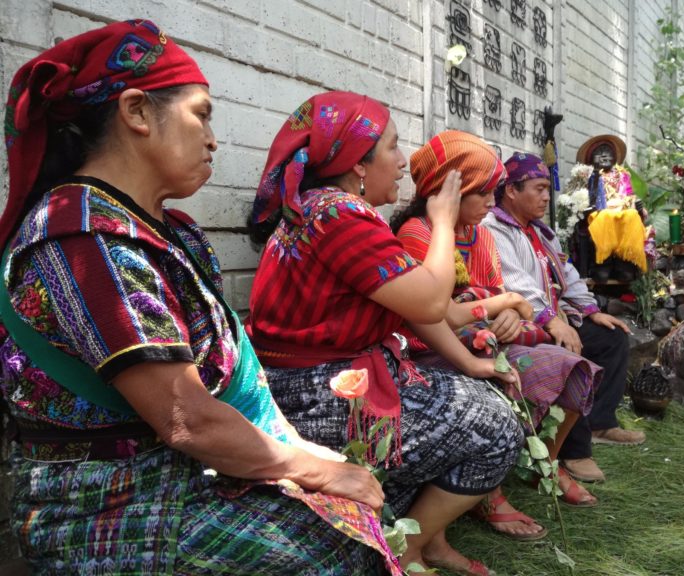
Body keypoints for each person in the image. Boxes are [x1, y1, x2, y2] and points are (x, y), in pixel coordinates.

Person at [0, 20, 400, 575]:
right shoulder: (86, 240)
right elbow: (186, 418)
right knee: (337, 547)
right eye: (202, 114)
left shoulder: (169, 232)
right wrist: (311, 467)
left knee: (355, 514)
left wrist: (304, 462)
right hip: (108, 497)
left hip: (181, 468)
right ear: (137, 112)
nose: (213, 138)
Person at [247, 92, 524, 576]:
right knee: (498, 428)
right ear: (358, 162)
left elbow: (425, 313)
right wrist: (441, 222)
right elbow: (432, 301)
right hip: (323, 394)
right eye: (392, 149)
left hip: (323, 381)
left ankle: (421, 539)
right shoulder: (339, 216)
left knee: (478, 399)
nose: (401, 163)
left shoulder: (325, 210)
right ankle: (405, 550)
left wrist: (471, 362)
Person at [391, 131, 603, 515]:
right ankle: (487, 491)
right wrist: (501, 305)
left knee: (573, 368)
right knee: (507, 377)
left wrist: (504, 312)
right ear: (448, 193)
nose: (492, 203)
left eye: (494, 192)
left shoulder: (480, 236)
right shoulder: (416, 233)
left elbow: (495, 294)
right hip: (434, 352)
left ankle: (546, 464)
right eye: (483, 193)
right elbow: (442, 311)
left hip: (484, 342)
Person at [483, 152, 646, 484]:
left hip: (554, 313)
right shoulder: (494, 227)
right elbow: (516, 282)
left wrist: (591, 310)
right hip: (521, 320)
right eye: (539, 188)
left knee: (612, 337)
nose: (546, 196)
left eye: (547, 189)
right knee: (570, 348)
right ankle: (574, 451)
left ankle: (601, 423)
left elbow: (567, 271)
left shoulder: (540, 231)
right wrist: (552, 320)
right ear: (512, 190)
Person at [573, 135, 647, 281]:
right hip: (600, 213)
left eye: (608, 151)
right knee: (603, 218)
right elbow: (587, 198)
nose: (604, 155)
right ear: (590, 159)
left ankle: (623, 262)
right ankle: (603, 263)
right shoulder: (590, 176)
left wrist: (635, 206)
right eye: (599, 152)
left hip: (621, 211)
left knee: (632, 217)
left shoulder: (622, 175)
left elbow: (629, 195)